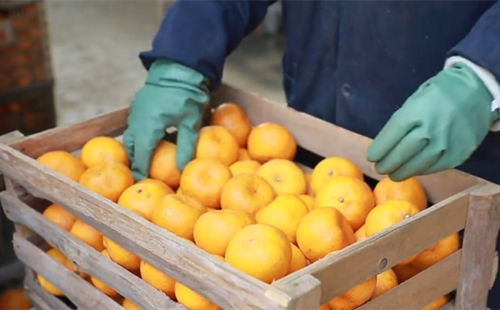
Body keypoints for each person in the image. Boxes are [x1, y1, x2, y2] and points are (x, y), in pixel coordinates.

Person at [123, 0, 500, 307]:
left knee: (468, 274)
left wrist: (485, 75)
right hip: (315, 135)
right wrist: (184, 50)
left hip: (460, 144)